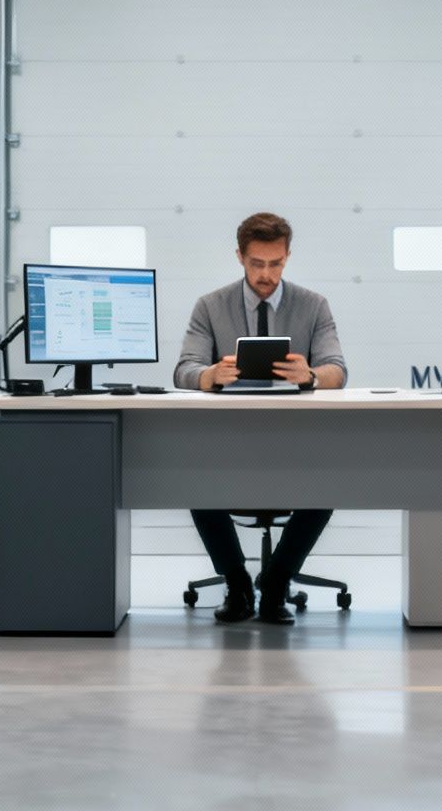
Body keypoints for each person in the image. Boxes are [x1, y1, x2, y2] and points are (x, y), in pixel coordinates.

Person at [174, 212, 348, 624]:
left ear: (287, 257)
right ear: (240, 257)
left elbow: (337, 370)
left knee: (328, 483)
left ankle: (275, 582)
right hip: (229, 441)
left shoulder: (313, 305)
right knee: (195, 481)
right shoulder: (211, 306)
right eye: (257, 264)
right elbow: (184, 369)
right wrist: (209, 375)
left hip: (295, 441)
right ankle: (236, 582)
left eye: (276, 263)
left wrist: (310, 376)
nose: (266, 274)